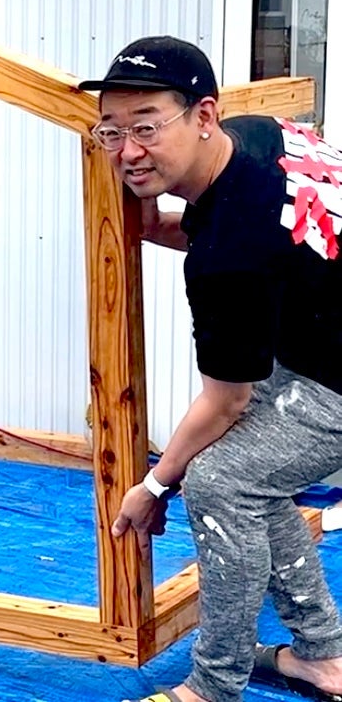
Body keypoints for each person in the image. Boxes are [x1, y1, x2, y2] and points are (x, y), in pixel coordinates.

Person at [78, 36, 342, 702]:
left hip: (330, 371)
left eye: (146, 127)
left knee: (220, 479)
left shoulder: (227, 257)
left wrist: (152, 485)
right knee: (250, 472)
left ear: (202, 115)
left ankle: (212, 686)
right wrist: (139, 208)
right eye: (112, 131)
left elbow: (227, 401)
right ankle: (323, 657)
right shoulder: (253, 137)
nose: (127, 150)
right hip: (319, 335)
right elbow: (226, 226)